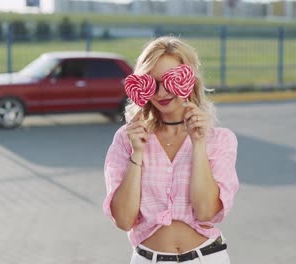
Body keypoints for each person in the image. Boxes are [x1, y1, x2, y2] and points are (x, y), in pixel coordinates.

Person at [102, 36, 239, 264]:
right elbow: (124, 220)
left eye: (170, 80)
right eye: (152, 82)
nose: (161, 92)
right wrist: (137, 152)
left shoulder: (219, 140)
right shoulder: (127, 139)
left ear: (189, 80)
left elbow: (205, 211)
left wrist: (198, 144)